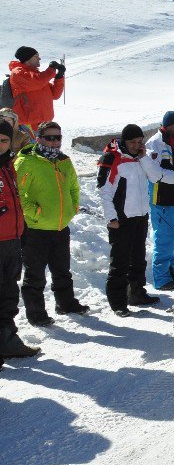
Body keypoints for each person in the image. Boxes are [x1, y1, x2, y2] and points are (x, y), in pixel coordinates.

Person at [99, 124, 174, 316]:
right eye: (132, 142)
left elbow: (156, 176)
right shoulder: (112, 158)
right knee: (120, 262)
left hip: (140, 215)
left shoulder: (141, 158)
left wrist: (145, 157)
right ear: (124, 141)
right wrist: (111, 217)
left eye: (139, 142)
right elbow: (104, 190)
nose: (136, 145)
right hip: (121, 219)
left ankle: (137, 293)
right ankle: (118, 303)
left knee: (138, 259)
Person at [15, 121, 87, 326]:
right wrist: (34, 213)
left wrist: (72, 208)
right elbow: (19, 194)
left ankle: (66, 303)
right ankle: (36, 314)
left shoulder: (64, 161)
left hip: (60, 227)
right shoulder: (26, 161)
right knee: (35, 275)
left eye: (58, 138)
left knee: (62, 270)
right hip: (36, 229)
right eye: (49, 138)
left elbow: (74, 187)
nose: (54, 142)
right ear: (38, 138)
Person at [0, 120, 41, 358]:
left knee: (8, 293)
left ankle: (8, 339)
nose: (0, 145)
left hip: (12, 240)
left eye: (4, 140)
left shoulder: (9, 166)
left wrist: (22, 231)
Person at [147, 111, 174, 291]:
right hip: (161, 198)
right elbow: (155, 174)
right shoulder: (155, 143)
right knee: (164, 238)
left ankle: (171, 271)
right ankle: (161, 278)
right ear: (169, 124)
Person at [8, 47, 66, 131]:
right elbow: (38, 82)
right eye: (36, 56)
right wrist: (51, 69)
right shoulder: (18, 73)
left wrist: (59, 76)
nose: (39, 58)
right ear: (27, 58)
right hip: (28, 124)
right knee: (30, 145)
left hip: (45, 122)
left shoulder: (37, 75)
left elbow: (55, 95)